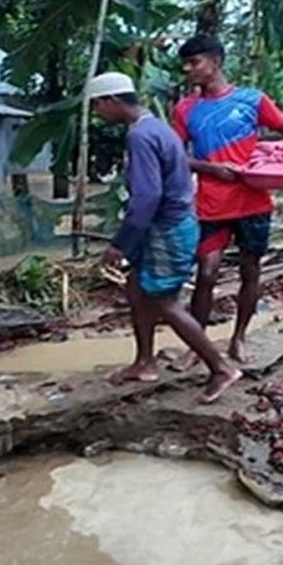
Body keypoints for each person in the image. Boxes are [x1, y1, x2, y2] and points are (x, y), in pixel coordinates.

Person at [89, 72, 244, 403]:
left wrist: (121, 244)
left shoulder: (141, 137)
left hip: (167, 229)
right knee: (135, 287)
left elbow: (147, 196)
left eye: (97, 105)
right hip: (164, 224)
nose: (96, 113)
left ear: (112, 100)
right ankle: (144, 362)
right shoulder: (156, 126)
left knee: (165, 301)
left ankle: (221, 368)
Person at [171, 34, 283, 367]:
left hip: (254, 202)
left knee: (250, 271)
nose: (188, 69)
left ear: (216, 62)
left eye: (194, 62)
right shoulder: (185, 109)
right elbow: (174, 156)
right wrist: (209, 167)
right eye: (186, 64)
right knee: (206, 275)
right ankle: (198, 345)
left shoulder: (252, 100)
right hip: (210, 203)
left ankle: (239, 337)